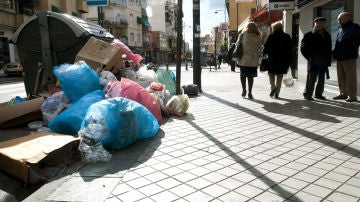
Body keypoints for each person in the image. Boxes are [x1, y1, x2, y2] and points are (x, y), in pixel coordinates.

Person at [300, 17, 332, 101]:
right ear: (316, 23)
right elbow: (303, 48)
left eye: (324, 23)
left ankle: (318, 94)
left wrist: (328, 59)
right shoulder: (309, 34)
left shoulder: (327, 35)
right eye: (321, 23)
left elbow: (329, 48)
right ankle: (307, 94)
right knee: (311, 78)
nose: (323, 25)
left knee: (321, 78)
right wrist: (309, 57)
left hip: (323, 60)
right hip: (313, 59)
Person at [332, 12, 360, 102]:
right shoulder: (340, 30)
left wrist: (349, 53)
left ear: (347, 18)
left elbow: (356, 42)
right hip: (339, 57)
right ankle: (343, 93)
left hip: (349, 57)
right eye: (337, 19)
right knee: (341, 77)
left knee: (350, 77)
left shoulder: (355, 27)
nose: (338, 21)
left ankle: (352, 96)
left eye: (340, 19)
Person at [263, 21, 292, 99]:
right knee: (279, 76)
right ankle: (277, 92)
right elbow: (290, 49)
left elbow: (265, 49)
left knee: (271, 75)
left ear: (274, 28)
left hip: (272, 60)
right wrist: (290, 61)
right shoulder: (287, 36)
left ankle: (273, 87)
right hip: (283, 60)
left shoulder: (271, 36)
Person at [236, 22, 262, 99]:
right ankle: (250, 92)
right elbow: (260, 47)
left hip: (243, 59)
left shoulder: (243, 34)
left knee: (242, 75)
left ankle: (244, 90)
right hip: (253, 60)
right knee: (250, 77)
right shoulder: (258, 36)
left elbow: (238, 44)